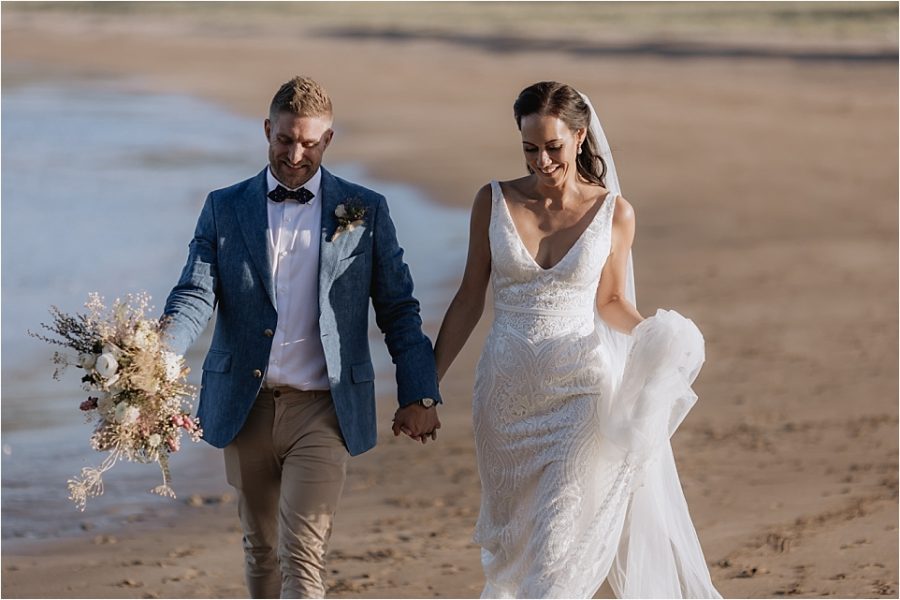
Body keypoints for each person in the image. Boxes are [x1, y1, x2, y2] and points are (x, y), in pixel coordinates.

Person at [433, 81, 721, 598]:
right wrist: (425, 386)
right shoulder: (493, 200)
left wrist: (659, 334)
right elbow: (469, 298)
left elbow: (609, 301)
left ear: (581, 136)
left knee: (556, 558)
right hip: (503, 404)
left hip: (579, 400)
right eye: (529, 148)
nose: (541, 160)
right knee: (516, 555)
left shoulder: (615, 213)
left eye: (553, 147)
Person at [161, 76, 442, 598]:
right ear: (267, 130)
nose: (295, 154)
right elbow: (194, 296)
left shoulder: (366, 210)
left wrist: (419, 392)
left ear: (329, 140)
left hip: (324, 409)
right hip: (246, 406)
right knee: (261, 546)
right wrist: (155, 360)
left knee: (303, 553)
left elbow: (399, 310)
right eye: (285, 139)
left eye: (309, 143)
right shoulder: (225, 206)